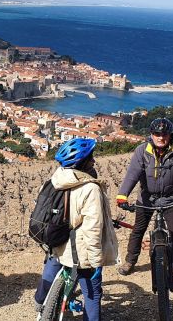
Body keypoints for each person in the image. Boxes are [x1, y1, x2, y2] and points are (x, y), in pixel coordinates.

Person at [34, 138, 119, 321]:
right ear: (83, 163)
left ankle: (40, 302)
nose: (94, 161)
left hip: (56, 242)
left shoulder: (54, 181)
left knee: (51, 267)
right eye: (91, 158)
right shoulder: (90, 189)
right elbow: (92, 230)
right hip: (80, 252)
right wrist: (96, 262)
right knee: (93, 293)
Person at [116, 118, 173, 279]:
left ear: (170, 135)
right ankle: (130, 261)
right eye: (157, 134)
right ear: (151, 134)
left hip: (171, 199)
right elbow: (132, 174)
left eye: (164, 134)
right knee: (138, 230)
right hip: (146, 198)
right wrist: (123, 195)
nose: (161, 137)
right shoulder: (142, 151)